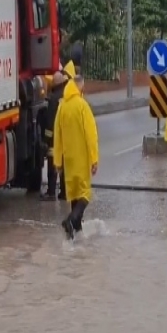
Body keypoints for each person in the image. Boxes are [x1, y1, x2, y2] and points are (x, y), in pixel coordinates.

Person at [53, 74, 99, 239]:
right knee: (85, 194)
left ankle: (75, 232)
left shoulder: (62, 106)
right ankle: (71, 220)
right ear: (81, 87)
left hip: (68, 161)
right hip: (82, 159)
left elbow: (57, 136)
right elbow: (91, 135)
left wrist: (57, 161)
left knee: (73, 195)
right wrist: (94, 159)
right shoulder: (82, 106)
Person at [41, 62, 76, 201]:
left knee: (53, 164)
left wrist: (46, 140)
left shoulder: (53, 99)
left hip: (55, 137)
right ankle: (64, 193)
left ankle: (50, 192)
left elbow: (50, 122)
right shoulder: (68, 96)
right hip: (67, 136)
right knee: (64, 166)